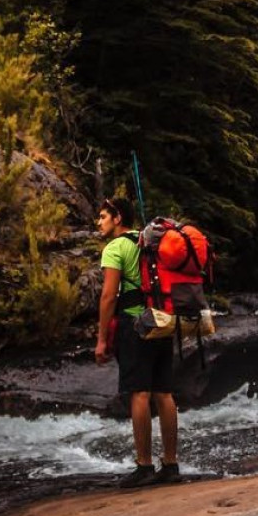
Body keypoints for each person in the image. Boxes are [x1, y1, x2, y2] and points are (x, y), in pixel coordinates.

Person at [94, 195, 180, 486]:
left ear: (118, 218)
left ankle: (144, 465)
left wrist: (102, 339)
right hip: (162, 322)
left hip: (135, 326)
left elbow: (108, 296)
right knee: (164, 393)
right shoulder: (149, 243)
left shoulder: (115, 247)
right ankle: (170, 465)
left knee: (139, 394)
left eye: (103, 217)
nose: (99, 222)